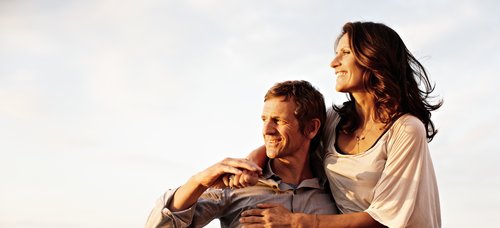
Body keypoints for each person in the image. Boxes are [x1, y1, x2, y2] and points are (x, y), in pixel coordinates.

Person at [238, 21, 442, 227]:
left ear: (373, 58)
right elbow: (296, 140)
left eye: (345, 52)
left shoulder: (406, 130)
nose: (334, 62)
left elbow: (384, 218)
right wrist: (256, 159)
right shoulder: (334, 121)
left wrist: (296, 221)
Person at [145, 80, 338, 228]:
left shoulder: (336, 193)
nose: (267, 130)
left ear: (311, 128)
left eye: (278, 121)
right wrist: (199, 181)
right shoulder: (234, 184)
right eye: (264, 119)